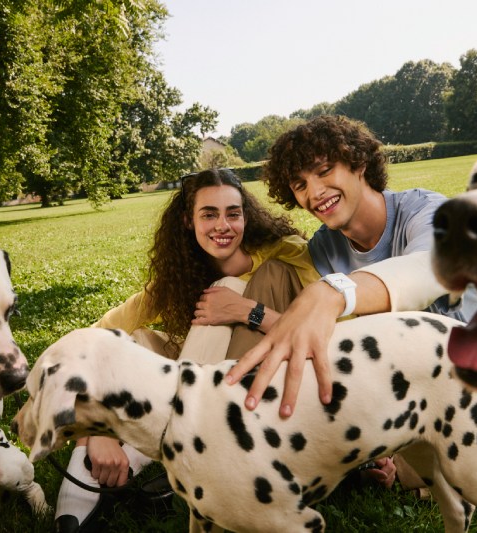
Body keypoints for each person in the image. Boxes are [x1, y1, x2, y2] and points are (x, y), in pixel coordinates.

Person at [226, 115, 477, 494]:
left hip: (463, 376)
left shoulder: (425, 211)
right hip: (391, 385)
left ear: (359, 163)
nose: (315, 192)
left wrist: (335, 291)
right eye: (300, 185)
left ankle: (411, 468)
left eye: (324, 171)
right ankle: (246, 433)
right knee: (278, 278)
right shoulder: (323, 247)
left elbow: (428, 268)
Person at [55, 168, 320, 532]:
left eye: (233, 213)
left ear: (247, 215)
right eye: (209, 214)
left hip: (269, 386)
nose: (222, 225)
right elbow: (100, 333)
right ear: (187, 221)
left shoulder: (287, 253)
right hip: (204, 381)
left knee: (226, 287)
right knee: (134, 342)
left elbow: (326, 334)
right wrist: (98, 429)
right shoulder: (180, 273)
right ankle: (102, 448)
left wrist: (246, 311)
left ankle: (141, 455)